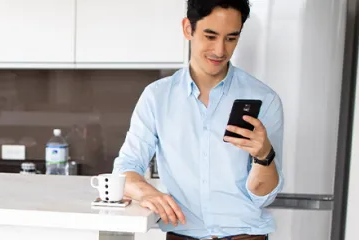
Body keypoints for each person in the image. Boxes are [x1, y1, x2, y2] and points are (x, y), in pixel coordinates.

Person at [112, 0, 283, 239]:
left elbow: (262, 194)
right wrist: (146, 193)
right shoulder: (157, 97)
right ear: (187, 29)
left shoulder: (264, 99)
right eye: (210, 36)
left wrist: (264, 155)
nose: (220, 50)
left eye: (231, 38)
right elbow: (125, 169)